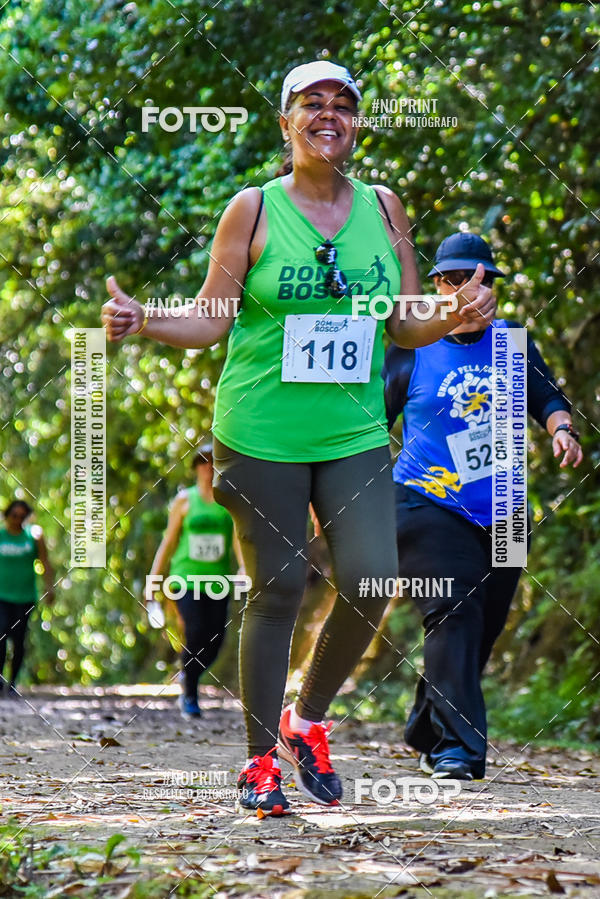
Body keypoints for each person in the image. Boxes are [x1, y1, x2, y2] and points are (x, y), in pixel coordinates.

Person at [102, 60, 494, 815]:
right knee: (278, 588)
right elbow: (213, 317)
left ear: (356, 124)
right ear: (285, 122)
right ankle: (257, 762)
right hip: (259, 430)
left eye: (343, 105)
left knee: (373, 576)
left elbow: (405, 317)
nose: (329, 115)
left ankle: (306, 719)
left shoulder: (383, 207)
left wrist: (453, 315)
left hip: (350, 430)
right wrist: (145, 317)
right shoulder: (251, 209)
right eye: (312, 103)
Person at [383, 232, 583, 781]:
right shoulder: (410, 345)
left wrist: (561, 430)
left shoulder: (513, 342)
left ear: (492, 287)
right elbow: (372, 423)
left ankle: (427, 726)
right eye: (453, 278)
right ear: (437, 285)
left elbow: (546, 397)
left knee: (482, 627)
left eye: (480, 278)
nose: (468, 288)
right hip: (425, 499)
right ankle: (459, 752)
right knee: (453, 611)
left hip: (508, 506)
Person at [145, 444, 242, 718]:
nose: (208, 466)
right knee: (196, 630)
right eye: (203, 462)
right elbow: (169, 541)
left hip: (217, 582)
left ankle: (188, 674)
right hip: (185, 579)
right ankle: (190, 693)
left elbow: (237, 539)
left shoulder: (228, 500)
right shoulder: (184, 500)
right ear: (196, 467)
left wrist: (245, 566)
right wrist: (153, 580)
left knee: (216, 639)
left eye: (213, 461)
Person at [0, 500, 55, 696]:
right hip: (2, 596)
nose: (17, 520)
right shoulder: (0, 535)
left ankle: (13, 682)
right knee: (1, 634)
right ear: (8, 515)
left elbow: (45, 562)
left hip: (25, 597)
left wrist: (50, 588)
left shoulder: (33, 536)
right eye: (14, 515)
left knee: (19, 639)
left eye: (22, 516)